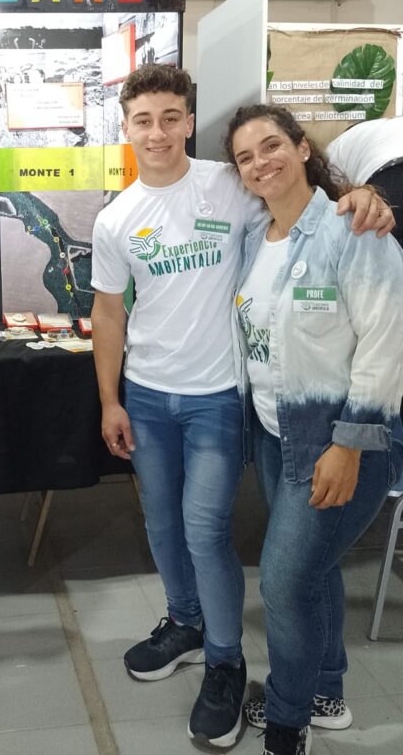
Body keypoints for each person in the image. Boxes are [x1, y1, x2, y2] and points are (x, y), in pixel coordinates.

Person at [90, 65, 392, 750]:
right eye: (144, 120)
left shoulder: (228, 185)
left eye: (171, 117)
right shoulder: (116, 216)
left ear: (189, 121)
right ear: (127, 127)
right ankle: (187, 622)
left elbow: (305, 202)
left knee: (205, 532)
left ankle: (226, 662)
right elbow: (109, 313)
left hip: (219, 400)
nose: (158, 132)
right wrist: (110, 399)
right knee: (162, 525)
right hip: (149, 395)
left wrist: (365, 195)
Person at [224, 104, 403, 755]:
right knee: (316, 569)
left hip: (341, 434)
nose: (260, 163)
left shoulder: (353, 229)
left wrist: (350, 446)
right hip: (278, 432)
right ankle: (325, 690)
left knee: (283, 582)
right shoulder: (257, 238)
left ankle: (289, 722)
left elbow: (389, 345)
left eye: (272, 146)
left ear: (303, 149)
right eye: (246, 158)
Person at [326, 115, 403, 247]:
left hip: (391, 170)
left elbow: (329, 197)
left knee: (379, 244)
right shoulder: (383, 126)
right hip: (390, 167)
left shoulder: (335, 149)